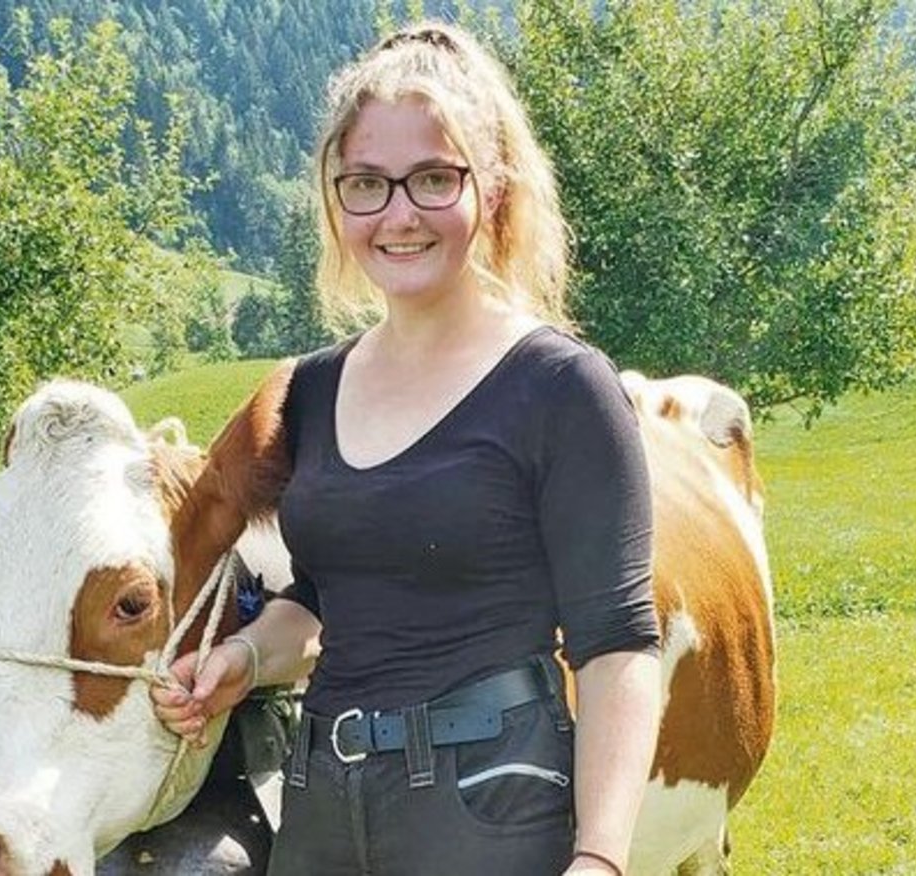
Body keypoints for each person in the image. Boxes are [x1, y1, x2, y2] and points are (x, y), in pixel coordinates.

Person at [152, 21, 661, 876]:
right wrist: (242, 658)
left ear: (491, 189)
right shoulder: (311, 392)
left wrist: (601, 858)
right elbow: (319, 601)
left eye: (432, 179)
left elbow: (617, 646)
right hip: (321, 803)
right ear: (336, 198)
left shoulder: (562, 387)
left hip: (491, 802)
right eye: (366, 184)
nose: (398, 215)